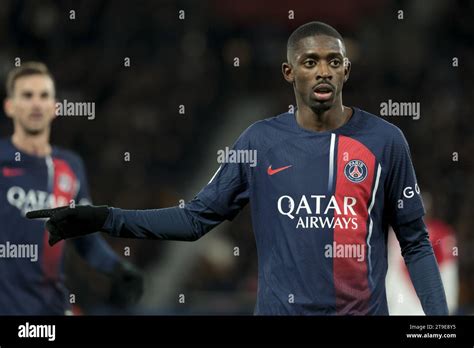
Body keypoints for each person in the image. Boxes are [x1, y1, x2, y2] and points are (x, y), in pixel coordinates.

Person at [27, 22, 448, 315]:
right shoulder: (259, 142)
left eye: (333, 62)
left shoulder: (385, 141)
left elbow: (414, 242)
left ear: (346, 70)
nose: (323, 70)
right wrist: (104, 217)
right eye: (309, 62)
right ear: (289, 72)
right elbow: (194, 219)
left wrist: (439, 327)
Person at [1, 62, 143, 314]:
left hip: (51, 307)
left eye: (43, 96)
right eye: (27, 95)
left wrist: (117, 268)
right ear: (10, 106)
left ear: (55, 107)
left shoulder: (70, 166)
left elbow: (85, 235)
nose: (36, 103)